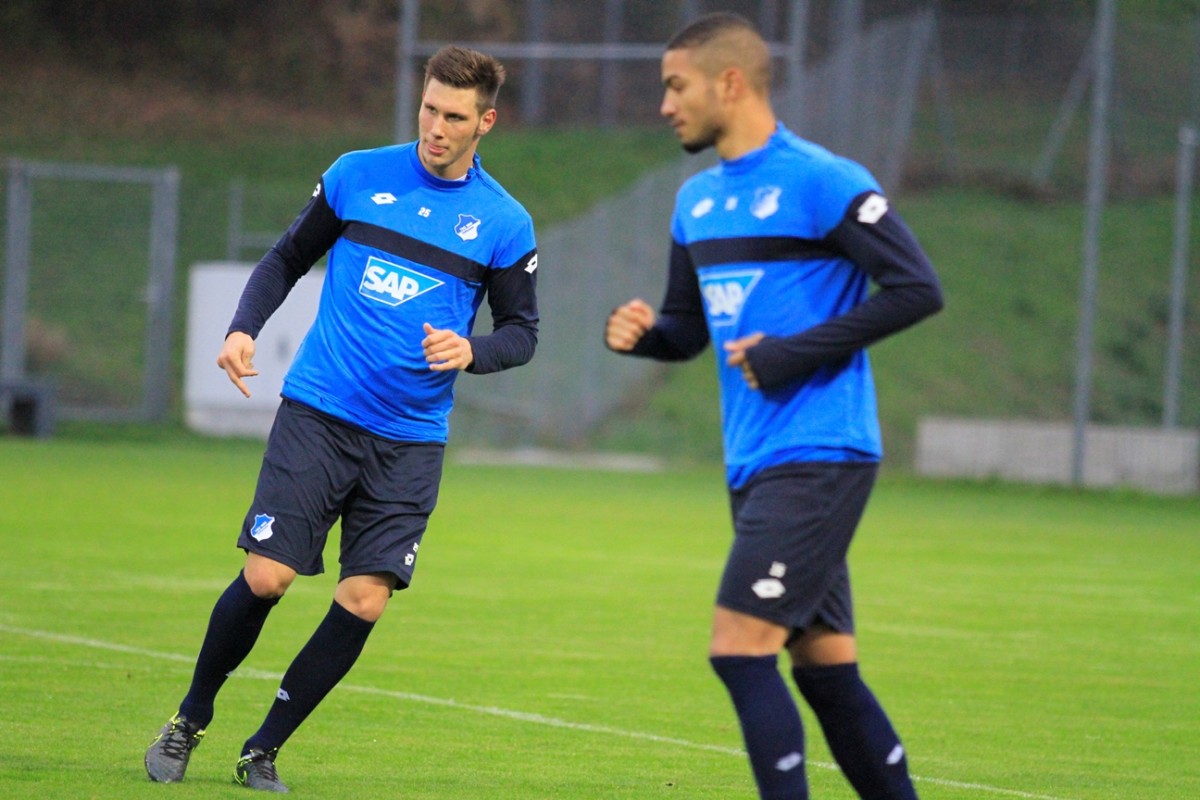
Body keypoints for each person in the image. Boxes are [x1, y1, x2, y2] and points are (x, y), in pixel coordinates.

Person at [145, 45, 538, 792]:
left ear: (485, 122)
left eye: (455, 117)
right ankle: (188, 720)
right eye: (429, 109)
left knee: (365, 599)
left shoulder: (504, 223)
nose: (436, 128)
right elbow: (285, 259)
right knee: (268, 577)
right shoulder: (358, 174)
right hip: (320, 413)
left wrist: (473, 350)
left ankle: (262, 750)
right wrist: (242, 328)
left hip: (411, 441)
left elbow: (522, 333)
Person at [605, 13, 943, 800]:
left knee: (738, 648)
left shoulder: (824, 180)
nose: (665, 105)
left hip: (820, 453)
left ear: (730, 83)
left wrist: (793, 352)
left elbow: (917, 288)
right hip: (755, 461)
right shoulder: (694, 202)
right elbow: (687, 330)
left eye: (676, 86)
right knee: (825, 670)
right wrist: (645, 337)